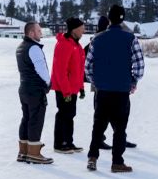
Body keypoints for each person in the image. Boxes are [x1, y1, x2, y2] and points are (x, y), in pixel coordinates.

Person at [85, 4, 144, 172]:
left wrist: (95, 82)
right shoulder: (131, 38)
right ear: (123, 18)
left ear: (109, 19)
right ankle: (117, 162)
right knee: (120, 129)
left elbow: (88, 66)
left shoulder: (97, 39)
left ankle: (92, 158)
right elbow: (139, 65)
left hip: (102, 91)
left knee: (98, 126)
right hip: (121, 90)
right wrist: (133, 82)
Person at [85, 15, 136, 151]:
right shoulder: (99, 40)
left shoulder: (98, 39)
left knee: (105, 115)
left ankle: (117, 138)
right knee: (106, 115)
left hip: (103, 83)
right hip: (104, 84)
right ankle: (105, 140)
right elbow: (88, 63)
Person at [16, 21, 53, 164]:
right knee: (35, 120)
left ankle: (23, 151)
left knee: (26, 119)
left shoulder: (20, 47)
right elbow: (41, 69)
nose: (41, 33)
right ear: (31, 33)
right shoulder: (34, 48)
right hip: (35, 90)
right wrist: (48, 83)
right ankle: (33, 153)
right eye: (38, 31)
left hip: (24, 88)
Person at [50, 16, 86, 152]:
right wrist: (65, 92)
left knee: (70, 115)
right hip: (64, 89)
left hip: (73, 88)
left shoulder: (77, 45)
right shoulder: (64, 44)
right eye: (81, 28)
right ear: (74, 30)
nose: (83, 31)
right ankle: (59, 143)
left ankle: (69, 142)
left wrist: (81, 87)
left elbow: (79, 69)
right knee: (63, 114)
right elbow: (60, 71)